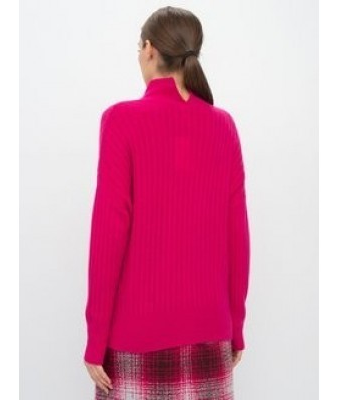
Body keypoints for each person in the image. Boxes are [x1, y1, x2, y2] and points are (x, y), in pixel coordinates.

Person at [83, 6, 250, 399]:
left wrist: (95, 338)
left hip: (135, 338)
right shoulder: (223, 126)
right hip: (211, 334)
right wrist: (236, 328)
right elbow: (238, 238)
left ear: (149, 49)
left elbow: (109, 234)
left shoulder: (121, 120)